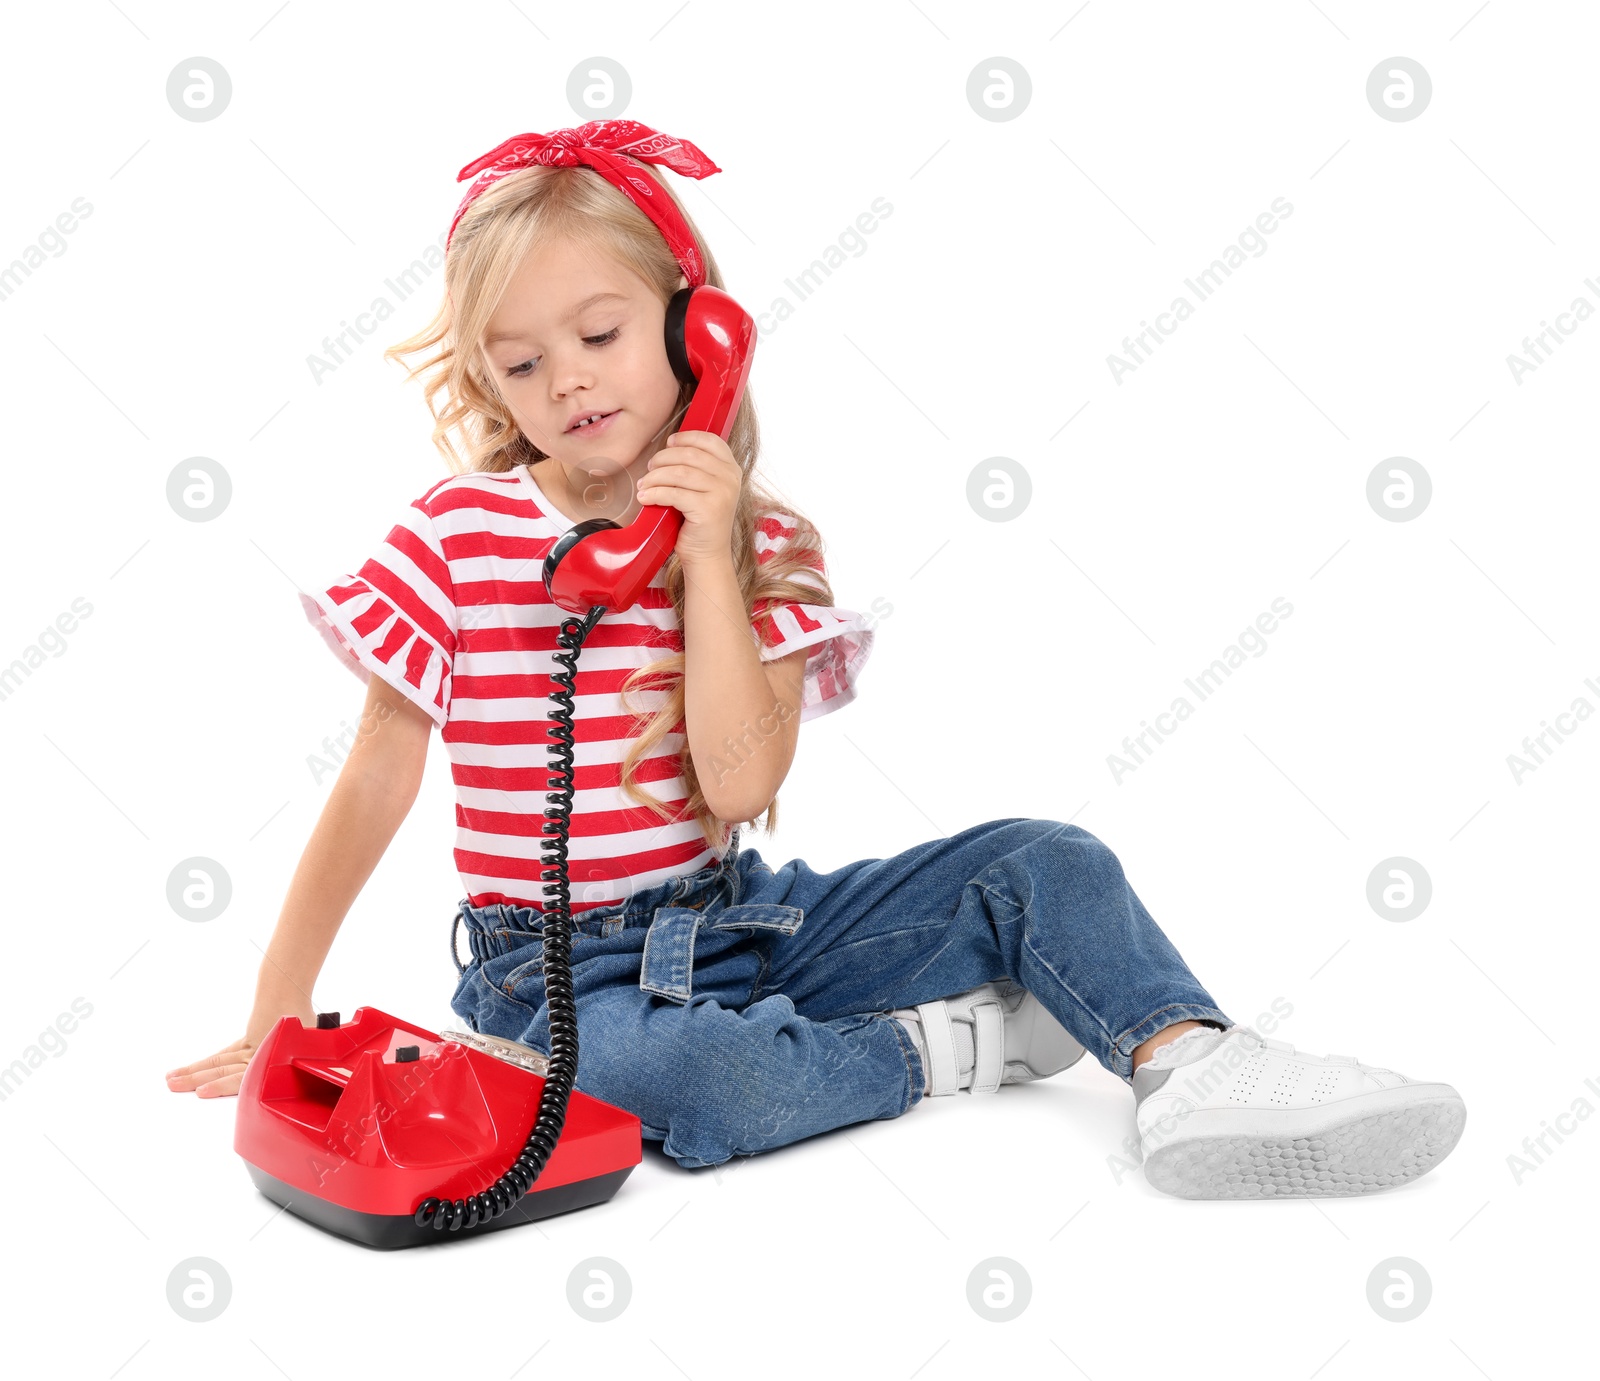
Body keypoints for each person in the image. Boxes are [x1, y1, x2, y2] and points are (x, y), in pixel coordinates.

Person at [165, 120, 1466, 1199]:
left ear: (696, 331)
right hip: (554, 974)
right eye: (520, 360)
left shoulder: (764, 539)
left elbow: (734, 785)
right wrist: (281, 1009)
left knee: (1048, 859)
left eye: (601, 335)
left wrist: (708, 551)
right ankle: (951, 1047)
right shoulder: (457, 535)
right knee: (690, 1084)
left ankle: (1187, 1060)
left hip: (743, 918)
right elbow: (378, 775)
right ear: (489, 381)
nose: (566, 380)